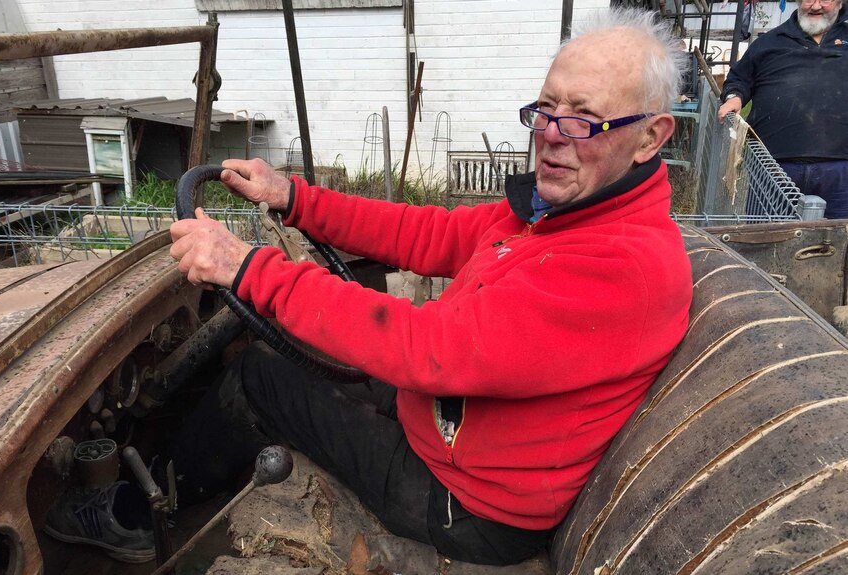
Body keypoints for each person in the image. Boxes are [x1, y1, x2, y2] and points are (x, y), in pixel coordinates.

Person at [168, 7, 693, 566]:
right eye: (545, 110)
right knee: (288, 350)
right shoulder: (565, 210)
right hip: (442, 424)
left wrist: (249, 269)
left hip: (465, 502)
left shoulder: (621, 263)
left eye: (582, 120)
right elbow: (432, 233)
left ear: (649, 137)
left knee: (257, 378)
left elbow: (429, 349)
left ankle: (143, 513)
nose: (550, 137)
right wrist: (296, 200)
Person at [718, 0, 848, 218]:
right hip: (773, 166)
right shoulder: (769, 43)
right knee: (767, 242)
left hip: (841, 170)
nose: (815, 6)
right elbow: (738, 79)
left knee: (836, 244)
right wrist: (734, 97)